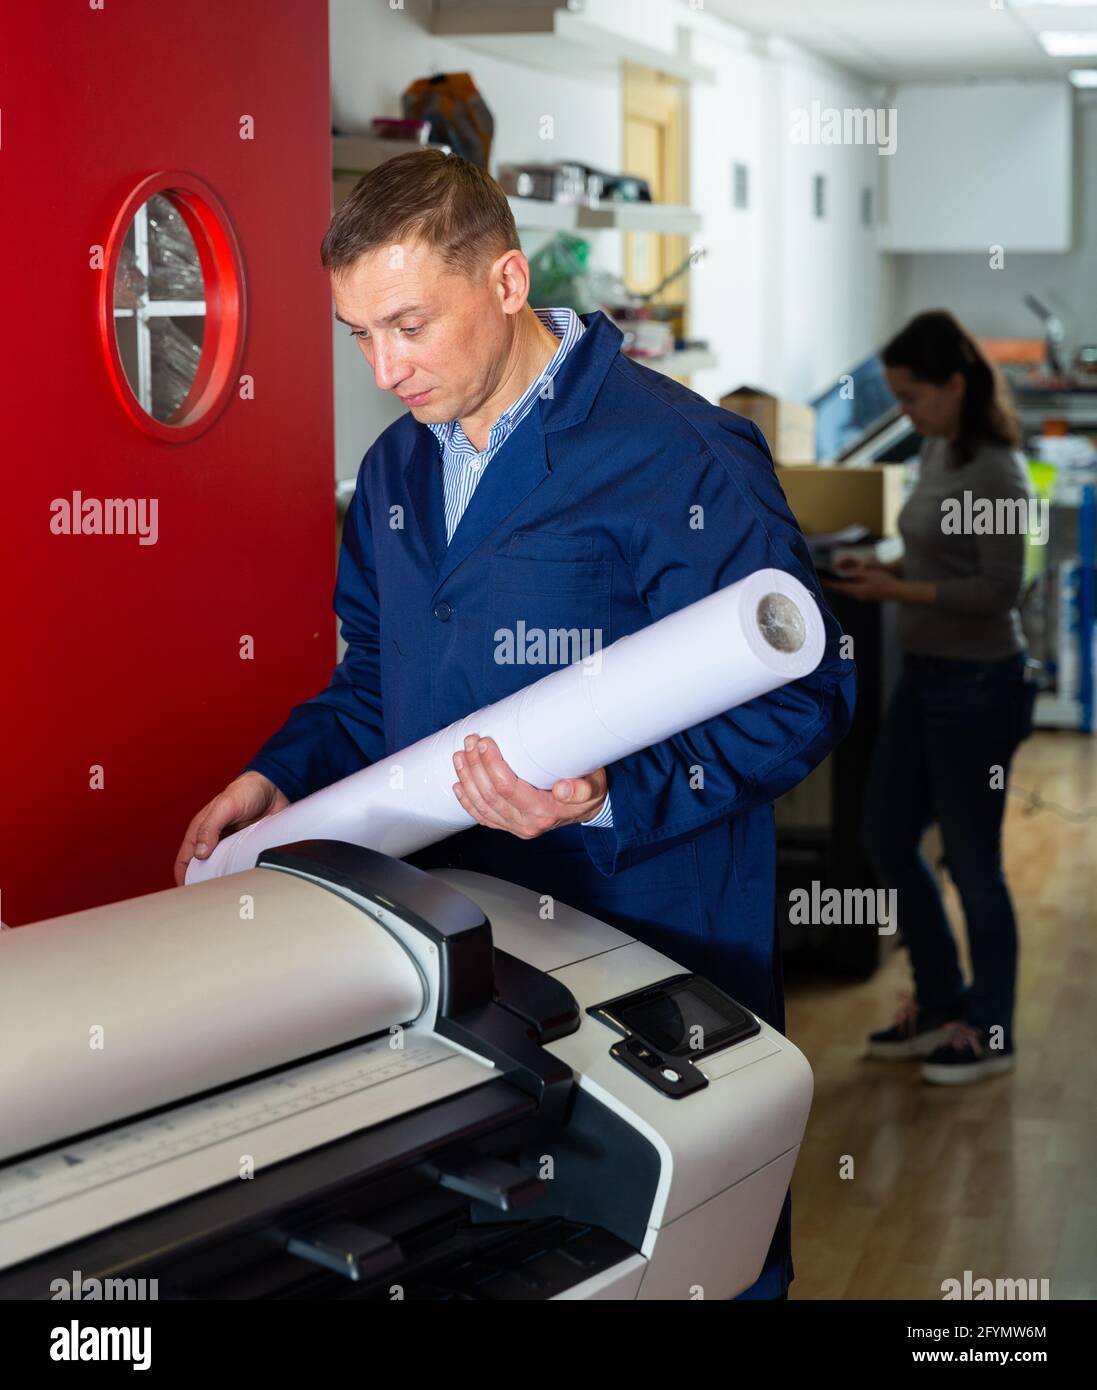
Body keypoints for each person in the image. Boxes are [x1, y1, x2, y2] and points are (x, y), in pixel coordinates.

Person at [174, 148, 856, 1296]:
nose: (384, 368)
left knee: (697, 1255)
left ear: (504, 280)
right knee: (516, 1254)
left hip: (652, 936)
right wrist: (280, 774)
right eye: (358, 335)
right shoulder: (396, 471)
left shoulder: (676, 454)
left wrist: (613, 794)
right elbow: (378, 679)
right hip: (466, 947)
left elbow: (805, 690)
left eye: (408, 325)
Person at [828, 310, 1037, 1086]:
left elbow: (998, 590)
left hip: (978, 686)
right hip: (925, 676)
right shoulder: (939, 448)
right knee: (885, 833)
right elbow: (932, 549)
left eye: (912, 396)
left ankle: (989, 1028)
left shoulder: (997, 472)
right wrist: (879, 565)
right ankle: (942, 998)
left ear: (955, 384)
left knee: (973, 863)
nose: (904, 412)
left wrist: (893, 590)